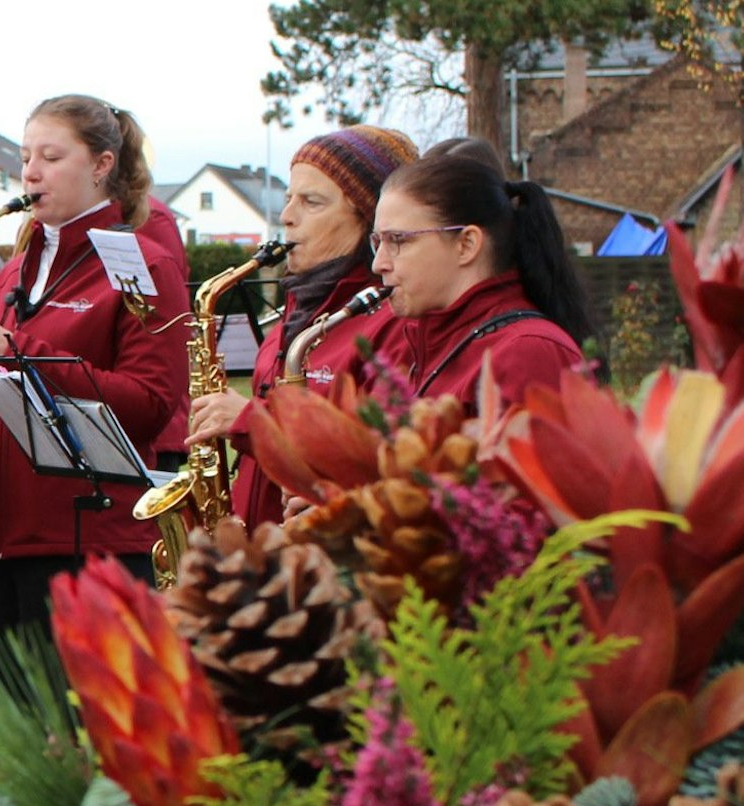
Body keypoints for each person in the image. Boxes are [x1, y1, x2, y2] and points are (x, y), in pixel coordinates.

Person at [0, 94, 190, 645]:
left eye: (51, 157)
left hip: (90, 542)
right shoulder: (11, 275)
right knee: (10, 731)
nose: (30, 172)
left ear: (103, 165)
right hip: (0, 541)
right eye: (26, 156)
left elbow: (151, 403)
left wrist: (20, 351)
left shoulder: (144, 265)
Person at [186, 125, 418, 529]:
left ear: (370, 221)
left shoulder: (393, 324)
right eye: (289, 198)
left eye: (311, 202)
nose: (287, 217)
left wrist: (246, 422)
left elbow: (375, 460)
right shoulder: (297, 309)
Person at [370, 153, 592, 405]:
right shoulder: (431, 343)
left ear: (466, 244)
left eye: (398, 240)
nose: (378, 264)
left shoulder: (527, 354)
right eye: (377, 242)